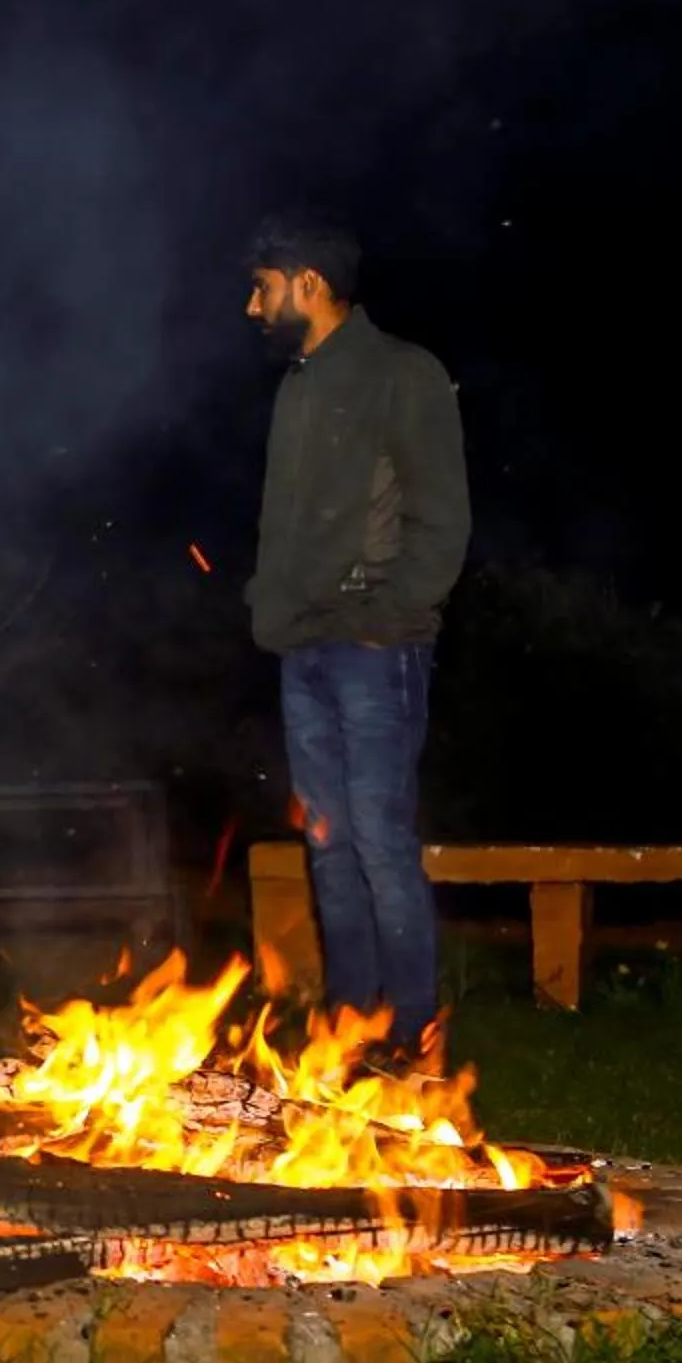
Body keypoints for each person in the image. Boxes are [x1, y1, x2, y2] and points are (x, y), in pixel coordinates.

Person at [240, 216, 471, 1055]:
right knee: (329, 843)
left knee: (379, 840)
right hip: (305, 645)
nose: (251, 305)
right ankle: (349, 1029)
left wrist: (390, 617)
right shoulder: (298, 386)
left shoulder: (402, 374)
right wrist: (271, 607)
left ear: (307, 283)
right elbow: (286, 522)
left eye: (262, 287)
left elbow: (441, 516)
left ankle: (412, 1034)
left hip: (376, 646)